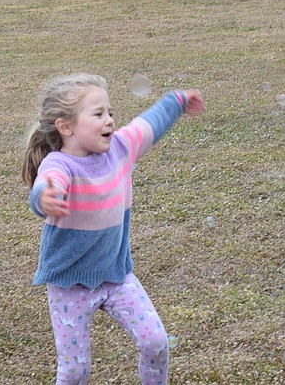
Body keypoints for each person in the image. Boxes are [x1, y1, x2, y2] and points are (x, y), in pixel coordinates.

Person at [23, 74, 204, 384]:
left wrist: (176, 100)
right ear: (66, 127)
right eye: (98, 114)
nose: (109, 120)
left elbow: (149, 123)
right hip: (69, 285)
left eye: (110, 112)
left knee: (155, 342)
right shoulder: (59, 164)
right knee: (75, 371)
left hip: (117, 276)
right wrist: (45, 196)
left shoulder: (120, 148)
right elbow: (47, 181)